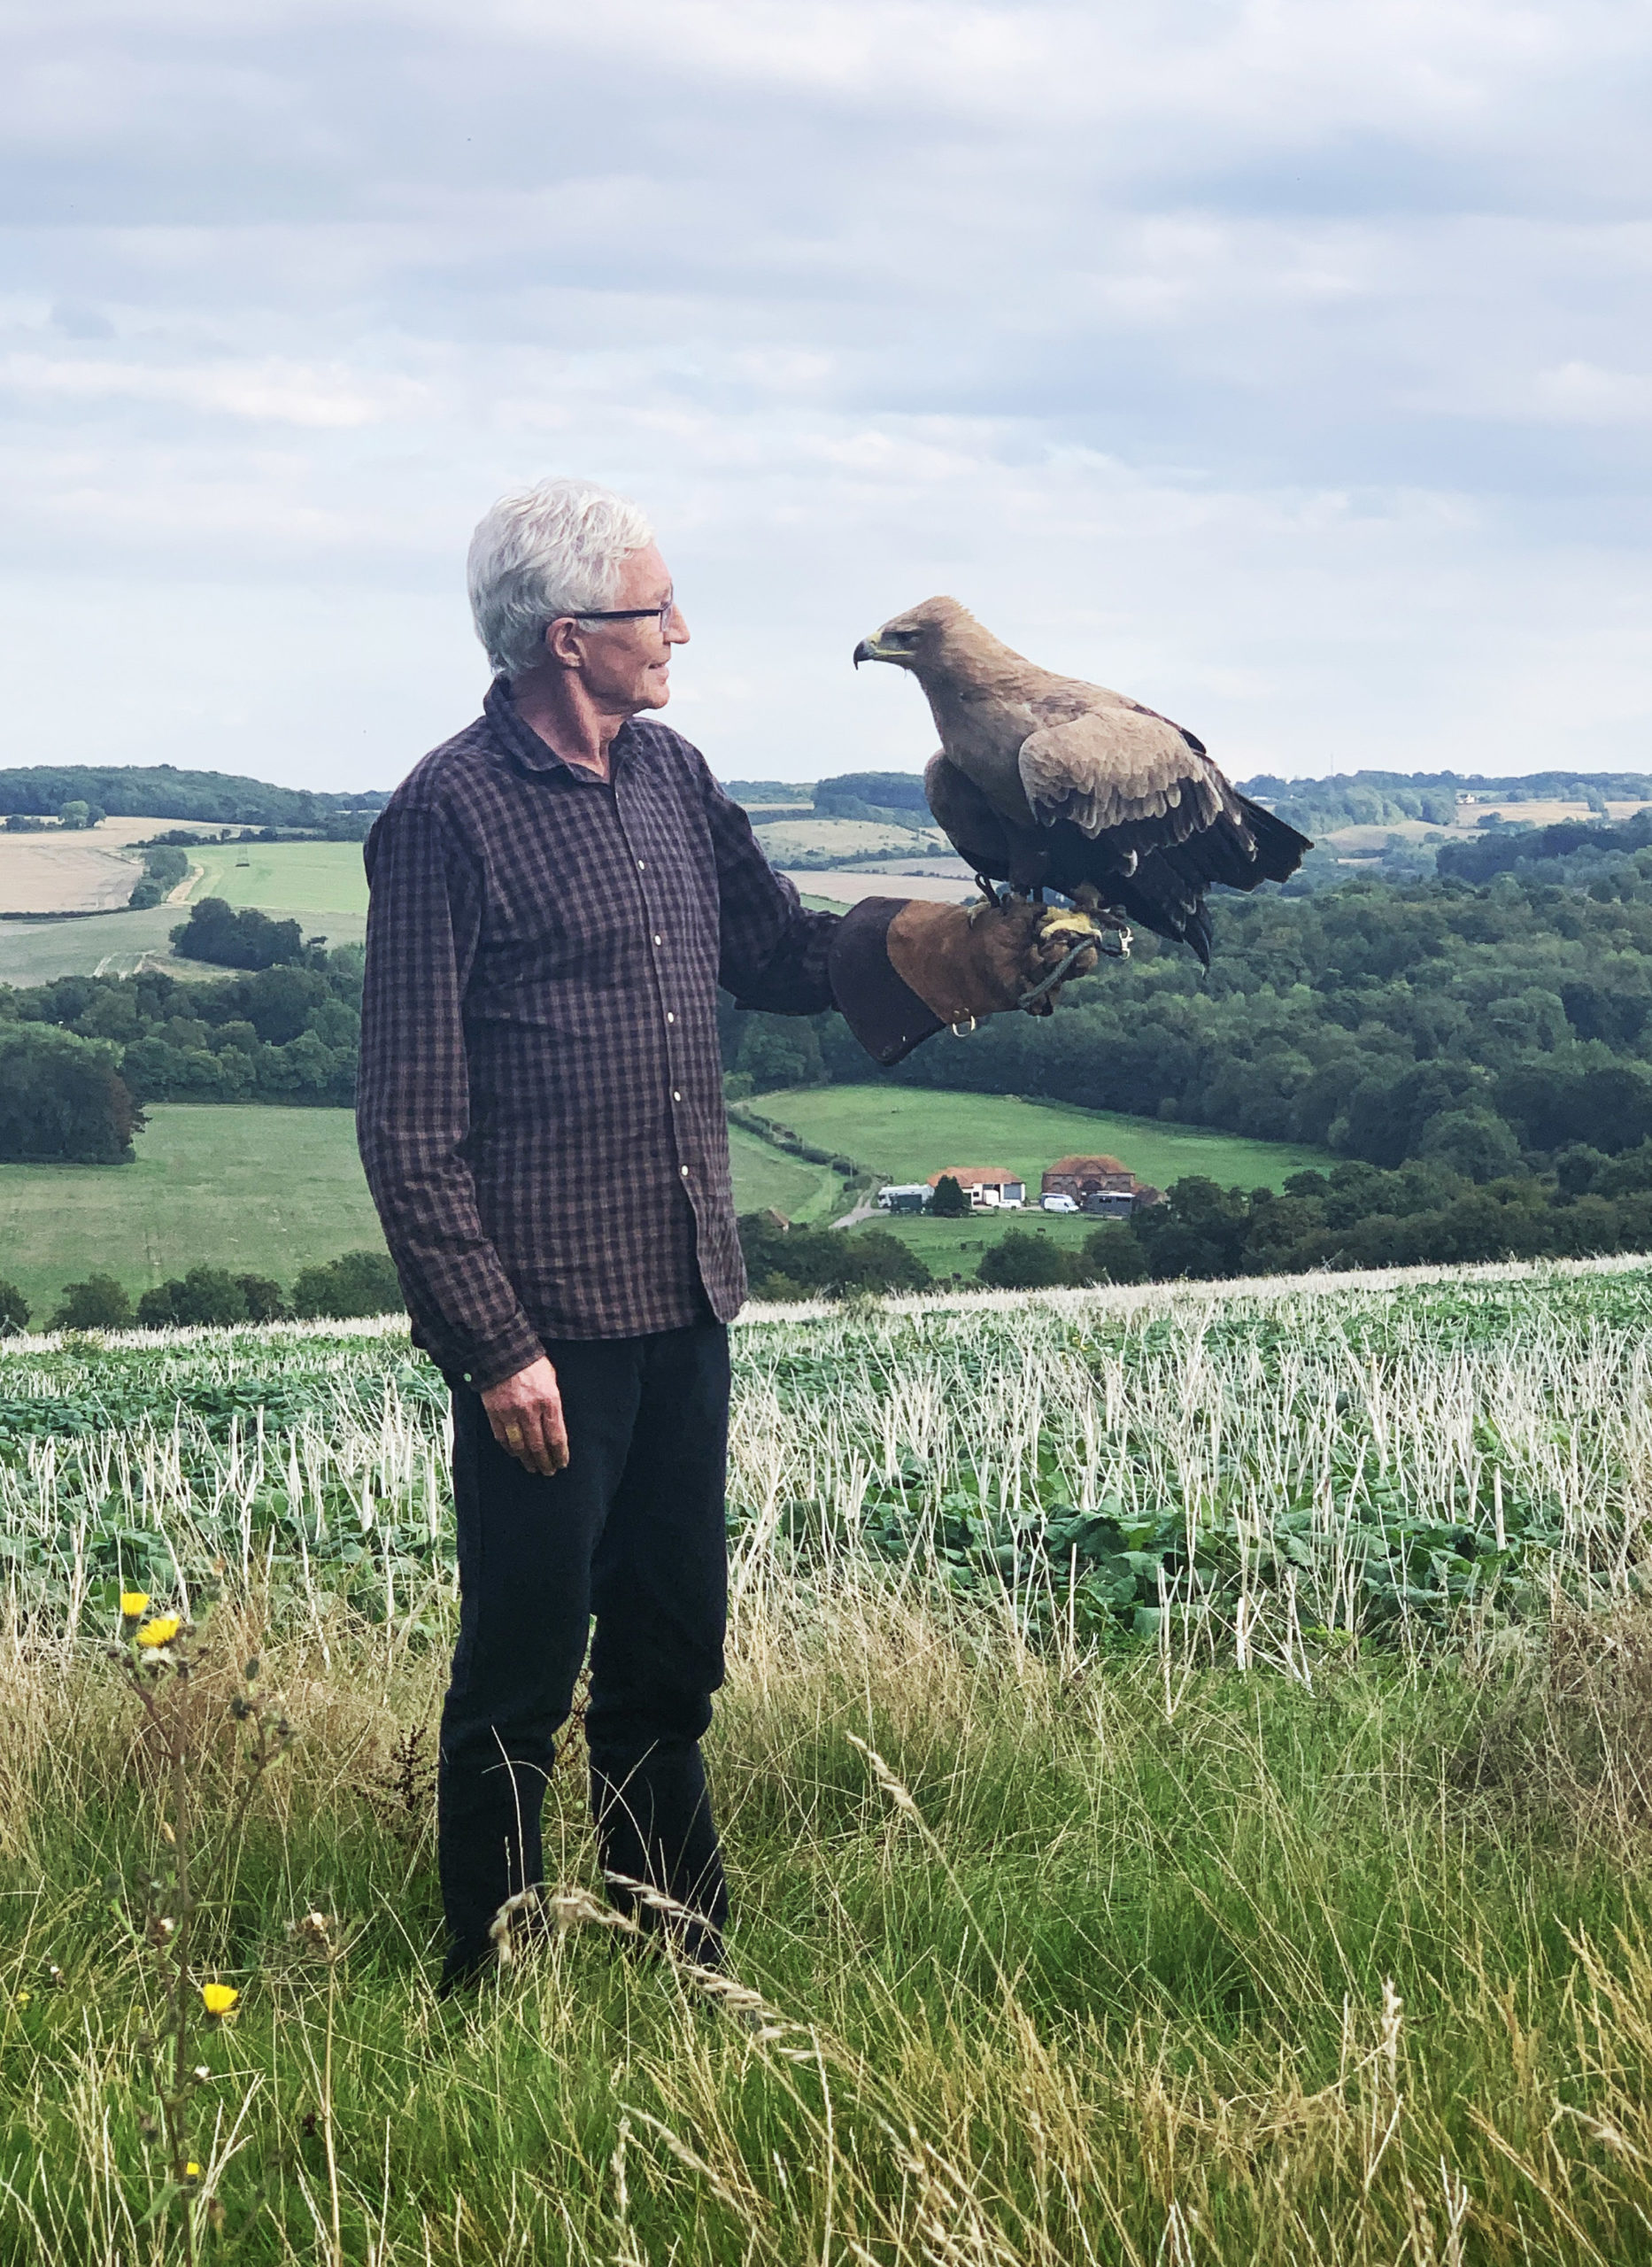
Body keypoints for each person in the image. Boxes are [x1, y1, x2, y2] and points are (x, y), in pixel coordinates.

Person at [356, 477, 1098, 1989]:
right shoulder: (446, 815)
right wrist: (493, 1347)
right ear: (570, 639)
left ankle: (678, 1952)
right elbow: (407, 1120)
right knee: (517, 1674)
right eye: (654, 610)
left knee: (667, 1658)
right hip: (545, 1328)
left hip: (686, 1288)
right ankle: (483, 1977)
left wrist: (959, 952)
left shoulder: (669, 774)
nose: (679, 630)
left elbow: (770, 947)